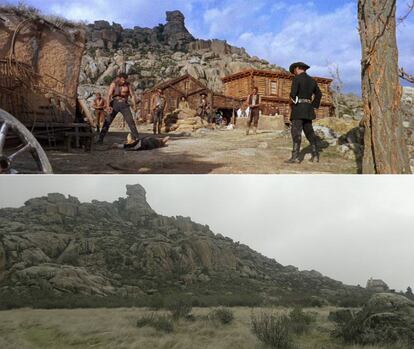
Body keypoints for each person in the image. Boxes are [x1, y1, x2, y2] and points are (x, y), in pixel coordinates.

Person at [286, 62, 322, 164]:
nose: (294, 73)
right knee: (309, 132)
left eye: (294, 71)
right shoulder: (312, 80)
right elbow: (319, 94)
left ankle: (295, 157)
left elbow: (293, 95)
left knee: (296, 132)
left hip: (298, 109)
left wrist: (294, 104)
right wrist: (313, 105)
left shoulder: (296, 79)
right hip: (308, 110)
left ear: (297, 68)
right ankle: (315, 156)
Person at [96, 73, 140, 144]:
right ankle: (100, 139)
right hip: (114, 104)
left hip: (124, 104)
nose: (123, 82)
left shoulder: (128, 85)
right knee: (108, 121)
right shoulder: (113, 84)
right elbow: (109, 95)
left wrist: (134, 106)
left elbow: (132, 96)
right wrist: (108, 106)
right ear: (119, 78)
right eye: (122, 80)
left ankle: (136, 138)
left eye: (124, 80)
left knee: (130, 121)